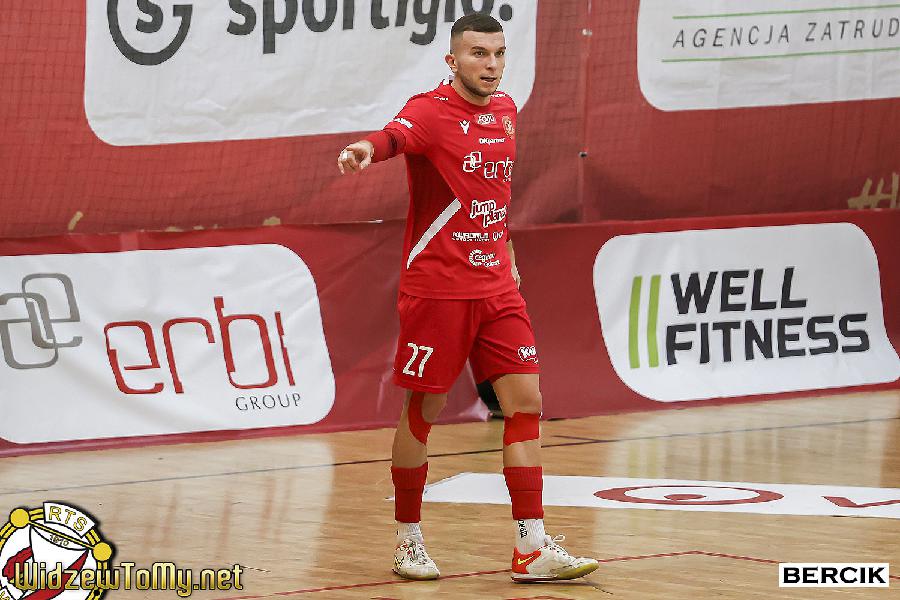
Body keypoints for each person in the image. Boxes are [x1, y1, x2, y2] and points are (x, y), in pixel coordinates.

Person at [337, 13, 599, 583]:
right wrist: (365, 148)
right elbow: (393, 137)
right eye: (479, 54)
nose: (492, 65)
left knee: (525, 403)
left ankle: (531, 547)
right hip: (438, 292)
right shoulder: (430, 110)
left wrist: (506, 248)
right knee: (422, 412)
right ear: (452, 60)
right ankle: (408, 540)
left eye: (499, 53)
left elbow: (493, 194)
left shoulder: (506, 110)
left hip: (497, 287)